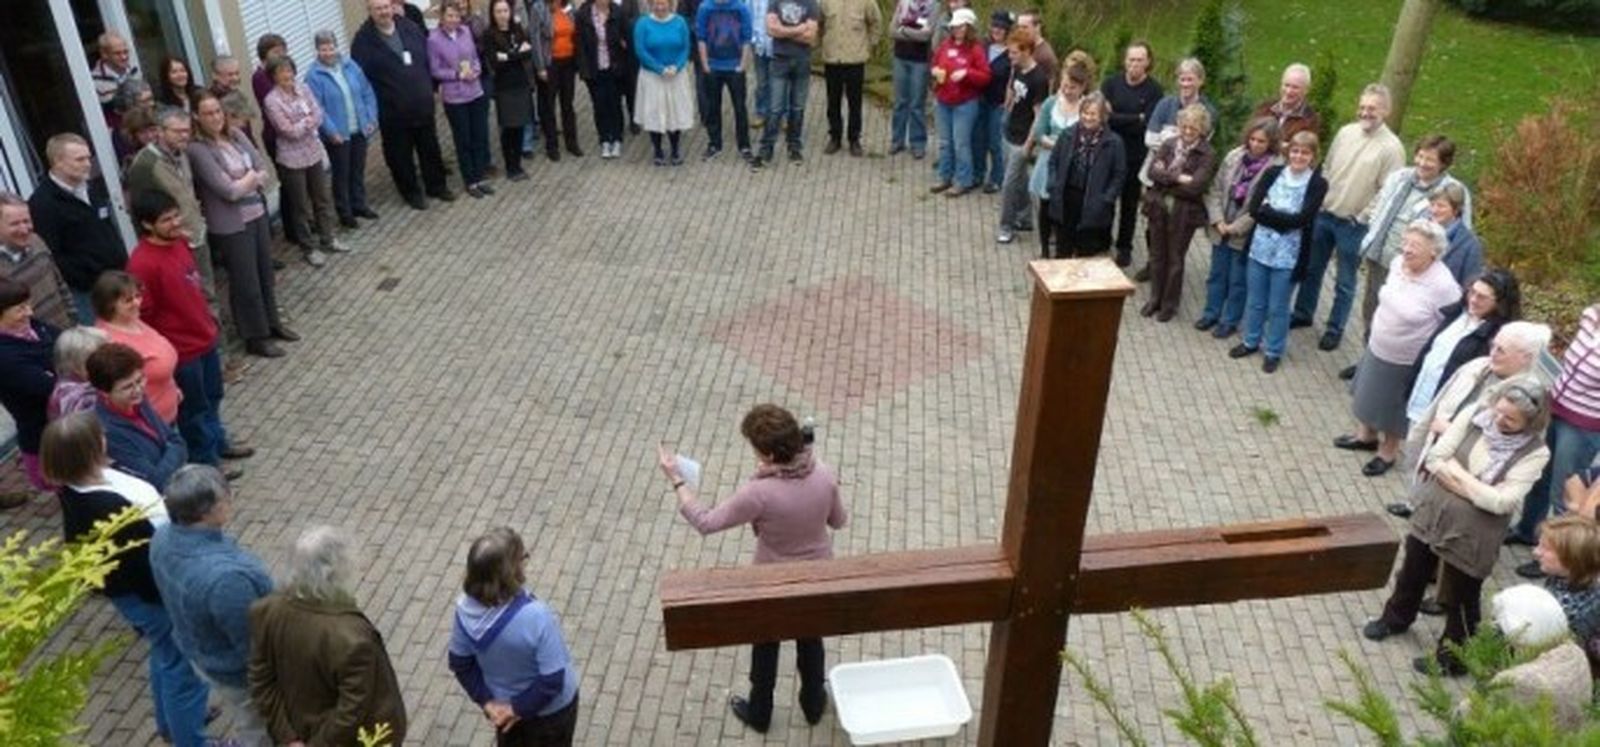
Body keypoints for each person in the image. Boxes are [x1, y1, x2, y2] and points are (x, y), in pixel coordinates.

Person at [656, 404, 848, 732]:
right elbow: (839, 521)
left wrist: (676, 479)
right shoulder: (824, 474)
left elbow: (706, 522)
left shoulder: (758, 493)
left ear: (770, 455)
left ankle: (760, 712)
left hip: (771, 583)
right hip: (816, 580)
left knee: (765, 644)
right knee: (810, 639)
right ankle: (813, 704)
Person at [41, 412, 214, 747]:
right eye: (100, 436)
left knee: (166, 654)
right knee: (184, 668)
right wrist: (176, 596)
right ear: (89, 450)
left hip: (146, 588)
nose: (106, 438)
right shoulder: (101, 505)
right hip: (151, 594)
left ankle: (172, 722)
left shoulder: (93, 479)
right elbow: (140, 569)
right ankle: (191, 738)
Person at [1363, 378, 1552, 677]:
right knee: (1412, 571)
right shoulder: (1474, 415)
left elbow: (1502, 502)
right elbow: (1436, 458)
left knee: (1461, 594)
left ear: (1531, 423)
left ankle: (1452, 658)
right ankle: (1395, 619)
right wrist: (1477, 488)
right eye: (1499, 411)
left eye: (1510, 419)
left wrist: (1456, 475)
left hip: (1476, 533)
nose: (1499, 419)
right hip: (1434, 513)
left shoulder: (1537, 453)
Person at [126, 190, 254, 474]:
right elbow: (144, 315)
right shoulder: (142, 264)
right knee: (193, 410)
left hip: (204, 339)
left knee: (213, 397)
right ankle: (207, 462)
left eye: (176, 215)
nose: (175, 223)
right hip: (182, 352)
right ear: (147, 224)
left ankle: (219, 442)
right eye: (166, 219)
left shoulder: (180, 243)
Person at [150, 464, 275, 746]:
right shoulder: (228, 580)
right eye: (226, 497)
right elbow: (254, 645)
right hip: (236, 674)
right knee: (257, 727)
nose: (230, 500)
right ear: (208, 511)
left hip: (198, 651)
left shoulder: (161, 538)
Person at [249, 526, 409, 746]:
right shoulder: (353, 638)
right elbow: (352, 709)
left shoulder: (266, 610)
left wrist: (288, 737)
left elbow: (261, 680)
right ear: (337, 570)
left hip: (298, 729)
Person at [1335, 219, 1462, 476]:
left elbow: (1450, 324)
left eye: (1415, 245)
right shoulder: (1397, 264)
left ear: (1434, 252)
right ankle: (1366, 437)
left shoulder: (1443, 286)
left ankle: (1388, 452)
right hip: (1378, 345)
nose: (1407, 249)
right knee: (1368, 395)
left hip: (1406, 359)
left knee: (1393, 409)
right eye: (1405, 242)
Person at [1289, 84, 1407, 352]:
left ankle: (1335, 328)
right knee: (1312, 269)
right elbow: (1328, 167)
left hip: (1353, 226)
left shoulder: (1392, 149)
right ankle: (1303, 313)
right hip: (1325, 214)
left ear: (1386, 111)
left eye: (1372, 108)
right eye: (1362, 107)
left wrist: (1362, 217)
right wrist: (1319, 200)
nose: (1365, 113)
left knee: (1345, 281)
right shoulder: (1345, 133)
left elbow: (1387, 192)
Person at [1346, 134, 1472, 380]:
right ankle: (1368, 358)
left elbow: (1461, 231)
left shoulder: (1453, 191)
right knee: (1373, 311)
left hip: (1416, 269)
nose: (1422, 163)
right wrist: (1363, 222)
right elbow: (1380, 202)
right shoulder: (1400, 177)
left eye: (1430, 160)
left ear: (1444, 164)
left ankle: (1397, 369)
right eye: (1420, 156)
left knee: (1403, 319)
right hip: (1381, 258)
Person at [448, 527, 581, 746]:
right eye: (522, 558)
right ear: (510, 572)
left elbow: (460, 663)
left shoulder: (465, 610)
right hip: (550, 714)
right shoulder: (536, 616)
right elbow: (552, 679)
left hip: (502, 710)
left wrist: (488, 702)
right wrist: (516, 709)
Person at [190, 91, 294, 359]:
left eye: (217, 111)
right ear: (196, 117)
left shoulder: (236, 135)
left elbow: (262, 167)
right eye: (208, 113)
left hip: (257, 213)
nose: (215, 117)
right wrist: (250, 179)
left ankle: (272, 323)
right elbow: (228, 191)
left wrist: (243, 180)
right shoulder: (198, 150)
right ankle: (255, 336)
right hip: (231, 225)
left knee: (264, 273)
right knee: (246, 281)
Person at [1228, 130, 1326, 373]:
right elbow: (1254, 209)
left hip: (1288, 257)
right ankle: (1250, 341)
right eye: (1295, 151)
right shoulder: (1273, 173)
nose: (1298, 156)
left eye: (1305, 153)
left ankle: (1273, 350)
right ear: (1288, 152)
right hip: (1260, 249)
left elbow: (1302, 219)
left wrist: (1271, 213)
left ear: (1313, 156)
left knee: (1278, 307)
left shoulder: (1317, 184)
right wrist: (1284, 219)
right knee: (1256, 301)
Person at [1509, 303, 1600, 558]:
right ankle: (1527, 530)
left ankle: (1559, 556)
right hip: (1555, 407)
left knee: (1564, 492)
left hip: (1583, 425)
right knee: (1540, 475)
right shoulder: (1590, 317)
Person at [352, 0, 457, 210]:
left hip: (421, 104)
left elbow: (428, 58)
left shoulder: (409, 27)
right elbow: (361, 81)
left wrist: (434, 87)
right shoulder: (363, 41)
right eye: (378, 8)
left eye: (386, 7)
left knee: (430, 148)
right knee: (400, 156)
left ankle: (436, 186)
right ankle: (411, 193)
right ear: (369, 11)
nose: (384, 12)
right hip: (392, 112)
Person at [28, 134, 128, 324]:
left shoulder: (90, 189)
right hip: (87, 293)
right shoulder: (43, 204)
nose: (88, 164)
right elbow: (51, 254)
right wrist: (85, 277)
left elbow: (106, 228)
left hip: (116, 281)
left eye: (88, 158)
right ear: (58, 162)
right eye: (79, 159)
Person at [126, 107, 216, 312]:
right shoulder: (145, 165)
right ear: (160, 131)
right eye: (178, 131)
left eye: (187, 130)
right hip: (173, 243)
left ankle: (214, 330)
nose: (184, 136)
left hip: (197, 235)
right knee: (188, 300)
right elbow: (141, 211)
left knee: (208, 293)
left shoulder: (182, 154)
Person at [264, 56, 351, 268]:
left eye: (289, 70)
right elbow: (287, 131)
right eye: (281, 72)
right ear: (274, 76)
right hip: (291, 160)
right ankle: (309, 248)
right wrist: (308, 122)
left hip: (313, 152)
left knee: (322, 199)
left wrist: (304, 122)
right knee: (301, 207)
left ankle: (328, 238)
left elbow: (318, 113)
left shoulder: (303, 89)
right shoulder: (272, 100)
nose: (287, 75)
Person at [1198, 118, 1280, 339]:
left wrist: (1236, 227)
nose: (1255, 144)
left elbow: (1263, 205)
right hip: (1220, 227)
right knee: (1217, 274)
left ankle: (1230, 320)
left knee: (1237, 280)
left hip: (1244, 234)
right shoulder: (1234, 156)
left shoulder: (1274, 168)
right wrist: (1218, 220)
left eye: (1261, 141)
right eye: (1252, 139)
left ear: (1271, 143)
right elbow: (1215, 189)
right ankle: (1211, 313)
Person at [1138, 104, 1216, 322]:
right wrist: (1178, 178)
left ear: (1202, 129)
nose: (1188, 131)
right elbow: (1152, 172)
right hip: (1159, 208)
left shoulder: (1207, 153)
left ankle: (1169, 304)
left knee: (1175, 258)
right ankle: (1155, 298)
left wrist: (1166, 178)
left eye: (1193, 128)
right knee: (1156, 255)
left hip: (1185, 213)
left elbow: (1196, 187)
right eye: (1184, 126)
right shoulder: (1169, 144)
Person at [306, 31, 382, 226]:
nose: (328, 52)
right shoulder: (313, 76)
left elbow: (366, 91)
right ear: (317, 51)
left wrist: (371, 117)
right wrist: (331, 131)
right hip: (338, 135)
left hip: (359, 128)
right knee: (341, 174)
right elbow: (317, 108)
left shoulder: (350, 65)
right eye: (323, 49)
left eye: (331, 48)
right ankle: (345, 212)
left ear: (336, 47)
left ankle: (359, 204)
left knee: (357, 169)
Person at [86, 342, 185, 490]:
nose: (138, 389)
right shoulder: (108, 431)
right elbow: (155, 480)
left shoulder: (137, 401)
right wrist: (174, 450)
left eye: (140, 380)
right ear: (104, 392)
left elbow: (176, 440)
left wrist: (173, 449)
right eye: (127, 387)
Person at [1100, 41, 1161, 269]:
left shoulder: (1154, 90)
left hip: (1135, 157)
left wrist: (1118, 118)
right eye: (1131, 59)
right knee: (1106, 199)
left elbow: (1148, 124)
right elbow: (1104, 118)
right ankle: (1103, 240)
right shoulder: (1111, 84)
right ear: (1125, 61)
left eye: (1139, 60)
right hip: (1108, 153)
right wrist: (1136, 117)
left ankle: (1124, 248)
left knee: (1129, 205)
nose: (1134, 64)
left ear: (1148, 62)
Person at [92, 272, 180, 426]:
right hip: (150, 424)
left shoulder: (132, 319)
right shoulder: (108, 341)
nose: (137, 303)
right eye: (128, 300)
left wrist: (172, 388)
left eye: (137, 296)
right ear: (109, 305)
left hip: (167, 412)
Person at [1046, 92, 1125, 258]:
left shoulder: (1114, 142)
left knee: (1086, 255)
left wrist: (1107, 199)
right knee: (1062, 251)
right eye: (1085, 113)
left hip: (1094, 203)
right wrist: (1053, 185)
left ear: (1102, 116)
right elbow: (1053, 162)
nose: (1088, 118)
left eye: (1093, 114)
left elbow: (1119, 175)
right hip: (1067, 199)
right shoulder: (1067, 135)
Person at [0, 277, 59, 498]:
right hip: (45, 438)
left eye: (28, 304)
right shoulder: (5, 357)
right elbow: (50, 386)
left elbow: (65, 341)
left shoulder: (33, 326)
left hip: (61, 425)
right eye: (20, 309)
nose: (29, 312)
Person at [431, 3, 497, 198]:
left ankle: (480, 177)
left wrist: (476, 70)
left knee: (479, 136)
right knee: (464, 140)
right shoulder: (434, 40)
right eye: (449, 16)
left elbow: (475, 57)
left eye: (456, 16)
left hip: (475, 91)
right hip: (455, 97)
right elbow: (435, 70)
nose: (454, 19)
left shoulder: (466, 31)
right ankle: (470, 181)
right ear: (442, 17)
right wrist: (457, 75)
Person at [1028, 58, 1090, 259]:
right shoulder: (1051, 103)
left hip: (1074, 166)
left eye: (1072, 87)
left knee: (1068, 208)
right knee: (1045, 206)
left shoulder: (1087, 107)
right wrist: (1058, 145)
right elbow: (1039, 132)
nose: (1067, 91)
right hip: (1049, 161)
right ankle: (1044, 247)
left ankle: (1064, 247)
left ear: (1082, 87)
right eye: (1064, 86)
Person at [927, 8, 989, 197]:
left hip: (965, 104)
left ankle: (963, 180)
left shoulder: (976, 49)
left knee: (961, 143)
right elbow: (934, 63)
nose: (956, 30)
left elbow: (985, 76)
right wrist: (934, 71)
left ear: (969, 27)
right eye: (954, 26)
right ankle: (945, 176)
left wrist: (967, 73)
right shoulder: (946, 45)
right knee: (945, 142)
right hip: (944, 100)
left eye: (960, 26)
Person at [995, 28, 1048, 243]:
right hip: (1009, 130)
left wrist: (1029, 143)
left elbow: (1039, 115)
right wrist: (1006, 107)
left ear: (1027, 51)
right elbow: (1012, 87)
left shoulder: (1039, 79)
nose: (1010, 56)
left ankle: (1006, 226)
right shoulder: (1016, 68)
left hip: (1023, 138)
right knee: (1020, 179)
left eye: (1015, 52)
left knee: (1008, 184)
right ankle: (1025, 217)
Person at [753, 0, 820, 168]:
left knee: (798, 108)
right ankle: (766, 149)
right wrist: (799, 29)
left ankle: (794, 146)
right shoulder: (775, 2)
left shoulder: (810, 3)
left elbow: (811, 36)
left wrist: (783, 31)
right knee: (775, 108)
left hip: (802, 62)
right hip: (779, 61)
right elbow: (770, 30)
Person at [634, 0, 697, 166]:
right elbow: (640, 50)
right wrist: (659, 69)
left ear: (670, 4)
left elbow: (686, 48)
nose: (660, 7)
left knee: (674, 113)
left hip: (676, 76)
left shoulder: (680, 22)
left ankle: (675, 149)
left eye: (663, 3)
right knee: (654, 113)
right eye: (656, 4)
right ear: (651, 5)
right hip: (652, 76)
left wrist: (677, 66)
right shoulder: (643, 23)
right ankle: (657, 150)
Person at [0, 192, 74, 330]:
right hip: (31, 340)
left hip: (65, 330)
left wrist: (74, 321)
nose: (24, 229)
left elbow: (60, 284)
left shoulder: (36, 241)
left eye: (26, 221)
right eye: (15, 224)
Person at [481, 2, 536, 181]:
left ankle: (518, 165)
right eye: (498, 11)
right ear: (492, 13)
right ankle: (510, 167)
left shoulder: (516, 28)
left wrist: (508, 56)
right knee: (508, 128)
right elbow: (495, 63)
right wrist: (516, 53)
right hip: (504, 87)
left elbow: (528, 53)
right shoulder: (489, 34)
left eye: (505, 11)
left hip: (521, 84)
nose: (502, 14)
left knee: (520, 126)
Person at [818, 0, 879, 157]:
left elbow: (875, 22)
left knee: (855, 102)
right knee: (833, 101)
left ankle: (854, 139)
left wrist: (871, 45)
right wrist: (819, 44)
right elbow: (819, 23)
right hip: (832, 59)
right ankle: (835, 137)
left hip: (855, 60)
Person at [696, 0, 754, 161]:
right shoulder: (705, 7)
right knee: (712, 107)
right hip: (713, 66)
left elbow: (747, 37)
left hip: (735, 67)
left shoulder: (741, 8)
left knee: (740, 108)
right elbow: (701, 37)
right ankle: (714, 144)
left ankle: (744, 145)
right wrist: (705, 64)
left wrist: (742, 65)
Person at [576, 0, 631, 160]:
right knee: (599, 105)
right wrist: (584, 70)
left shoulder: (618, 12)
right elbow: (579, 45)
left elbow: (627, 37)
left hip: (614, 67)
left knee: (615, 104)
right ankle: (605, 139)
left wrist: (624, 46)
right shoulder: (583, 14)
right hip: (594, 69)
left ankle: (617, 138)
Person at [529, 0, 583, 161]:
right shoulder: (538, 8)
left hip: (568, 62)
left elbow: (576, 31)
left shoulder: (569, 5)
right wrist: (540, 67)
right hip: (549, 63)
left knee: (568, 104)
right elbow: (535, 38)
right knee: (549, 106)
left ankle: (572, 142)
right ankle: (552, 146)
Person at [1534, 515, 1600, 645]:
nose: (1536, 552)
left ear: (1573, 559)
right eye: (1539, 544)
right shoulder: (1564, 578)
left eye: (1546, 548)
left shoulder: (1566, 610)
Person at [886, 0, 934, 159]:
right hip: (900, 58)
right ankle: (897, 140)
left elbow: (926, 36)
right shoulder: (903, 3)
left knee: (917, 104)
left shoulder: (933, 6)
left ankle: (918, 143)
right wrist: (914, 33)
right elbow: (892, 31)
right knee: (900, 102)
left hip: (920, 61)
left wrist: (904, 30)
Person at [972, 12, 1010, 196]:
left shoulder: (1011, 53)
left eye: (1001, 27)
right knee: (978, 139)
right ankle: (978, 174)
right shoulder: (983, 46)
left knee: (995, 142)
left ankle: (996, 178)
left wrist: (1008, 102)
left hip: (998, 104)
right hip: (980, 99)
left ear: (1007, 30)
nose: (997, 30)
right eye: (995, 26)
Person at [1251, 63, 1321, 150]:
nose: (1288, 91)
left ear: (1306, 90)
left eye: (1295, 87)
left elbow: (1300, 150)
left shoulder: (1309, 120)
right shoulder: (1265, 108)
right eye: (1286, 85)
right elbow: (1250, 136)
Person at [48, 326, 108, 420]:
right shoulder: (75, 396)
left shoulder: (87, 382)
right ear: (74, 362)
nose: (105, 361)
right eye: (97, 358)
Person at [1430, 183, 1482, 286]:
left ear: (1456, 209)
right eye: (1432, 205)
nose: (1434, 210)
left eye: (1441, 206)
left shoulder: (1470, 244)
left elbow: (1469, 283)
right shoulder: (1420, 231)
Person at [91, 32, 140, 115]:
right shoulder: (95, 82)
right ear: (104, 54)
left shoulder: (134, 71)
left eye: (125, 52)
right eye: (117, 53)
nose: (124, 57)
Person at [1014, 9, 1055, 83]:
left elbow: (1049, 85)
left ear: (1037, 27)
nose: (1020, 31)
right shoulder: (1020, 46)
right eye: (1019, 27)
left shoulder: (1045, 56)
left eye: (1025, 27)